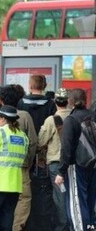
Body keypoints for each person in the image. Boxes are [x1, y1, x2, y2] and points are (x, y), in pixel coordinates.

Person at [55, 88, 96, 231]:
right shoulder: (93, 116)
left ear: (70, 102)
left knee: (77, 203)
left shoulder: (71, 120)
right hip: (93, 165)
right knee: (90, 202)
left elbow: (66, 148)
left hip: (76, 166)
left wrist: (61, 171)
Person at [38, 88, 71, 231]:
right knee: (72, 193)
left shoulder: (52, 120)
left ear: (55, 102)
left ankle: (62, 225)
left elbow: (41, 141)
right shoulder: (74, 116)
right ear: (68, 101)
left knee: (60, 195)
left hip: (56, 164)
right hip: (74, 163)